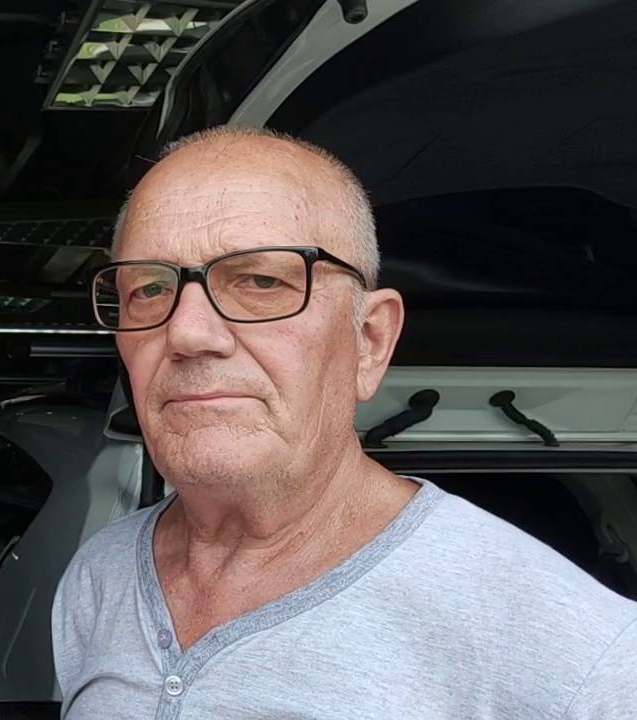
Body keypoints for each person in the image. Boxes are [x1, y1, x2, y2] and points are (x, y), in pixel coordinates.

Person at [52, 126, 636, 718]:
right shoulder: (101, 574)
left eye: (261, 281)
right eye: (150, 288)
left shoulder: (584, 660)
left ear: (370, 341)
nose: (187, 332)